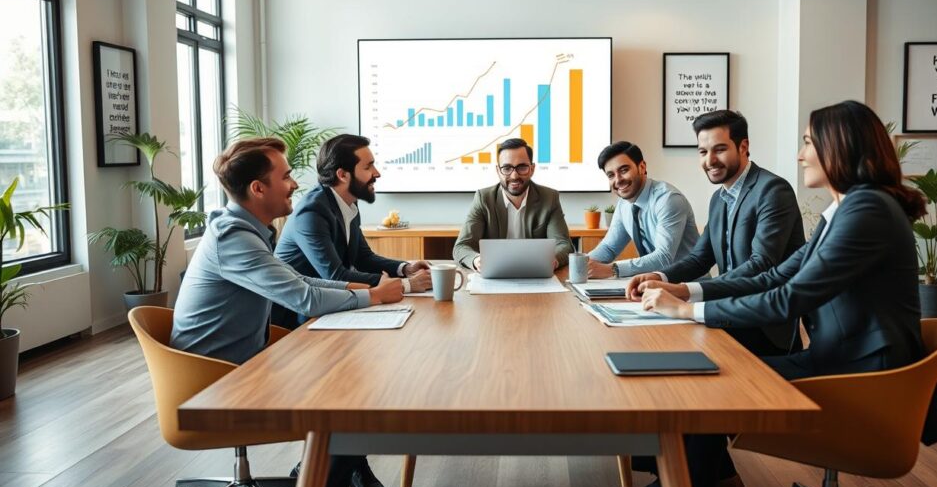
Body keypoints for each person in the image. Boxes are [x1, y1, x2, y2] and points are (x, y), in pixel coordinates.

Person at [637, 101, 937, 487]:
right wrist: (683, 293)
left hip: (861, 377)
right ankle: (704, 482)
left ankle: (688, 484)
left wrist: (687, 310)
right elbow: (776, 275)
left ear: (840, 146)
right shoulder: (849, 208)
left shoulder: (867, 209)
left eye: (808, 143)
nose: (800, 155)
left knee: (704, 384)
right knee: (700, 377)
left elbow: (788, 298)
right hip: (837, 358)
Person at [170, 137, 400, 487]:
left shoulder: (246, 230)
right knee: (348, 400)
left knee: (350, 383)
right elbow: (304, 297)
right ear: (258, 188)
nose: (295, 184)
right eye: (286, 176)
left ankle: (317, 474)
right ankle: (318, 479)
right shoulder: (234, 238)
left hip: (242, 364)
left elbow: (299, 279)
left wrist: (367, 293)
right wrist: (372, 295)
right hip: (214, 382)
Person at [626, 111, 805, 356]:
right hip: (725, 312)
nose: (709, 160)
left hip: (762, 325)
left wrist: (683, 290)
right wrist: (660, 276)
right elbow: (699, 258)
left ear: (743, 147)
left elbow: (760, 264)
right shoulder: (718, 199)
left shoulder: (772, 190)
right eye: (703, 152)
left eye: (719, 149)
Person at [273, 135, 432, 329]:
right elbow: (334, 275)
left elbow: (363, 257)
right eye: (368, 167)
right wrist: (406, 284)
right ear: (342, 175)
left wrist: (405, 268)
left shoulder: (348, 202)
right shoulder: (312, 211)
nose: (377, 173)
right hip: (296, 320)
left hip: (330, 307)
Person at [453, 138, 573, 271]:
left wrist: (553, 259)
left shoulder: (549, 198)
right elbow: (461, 247)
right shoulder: (484, 199)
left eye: (522, 167)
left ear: (532, 169)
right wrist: (477, 260)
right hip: (495, 274)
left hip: (535, 273)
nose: (514, 175)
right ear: (498, 171)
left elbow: (564, 245)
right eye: (507, 168)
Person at [586, 141, 699, 278]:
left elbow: (663, 258)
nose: (618, 180)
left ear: (642, 167)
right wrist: (580, 264)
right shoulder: (624, 204)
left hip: (688, 284)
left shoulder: (668, 199)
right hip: (654, 282)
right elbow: (609, 248)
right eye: (611, 175)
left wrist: (613, 269)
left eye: (624, 170)